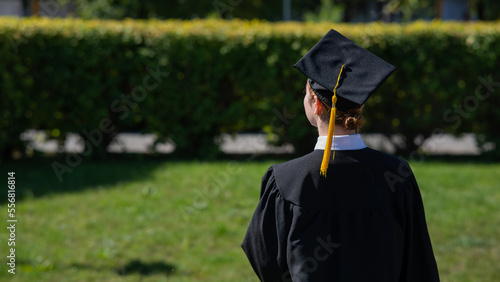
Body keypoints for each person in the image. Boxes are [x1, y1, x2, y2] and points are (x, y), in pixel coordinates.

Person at [241, 29, 440, 281]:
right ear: (361, 106)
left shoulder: (285, 181)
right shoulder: (396, 176)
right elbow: (417, 264)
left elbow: (265, 260)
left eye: (306, 93)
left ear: (316, 103)